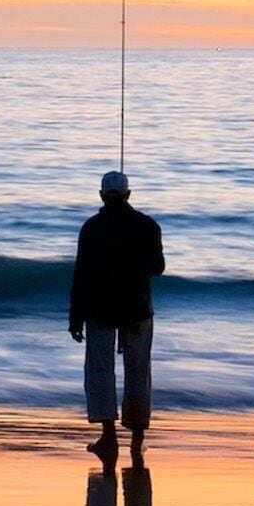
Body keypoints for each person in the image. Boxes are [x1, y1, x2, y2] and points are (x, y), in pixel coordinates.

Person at [68, 169, 164, 460]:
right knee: (138, 371)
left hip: (100, 310)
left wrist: (75, 317)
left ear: (101, 195)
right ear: (129, 195)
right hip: (137, 309)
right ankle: (137, 439)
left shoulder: (91, 228)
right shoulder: (148, 226)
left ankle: (108, 437)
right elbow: (158, 268)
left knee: (100, 371)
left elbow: (81, 276)